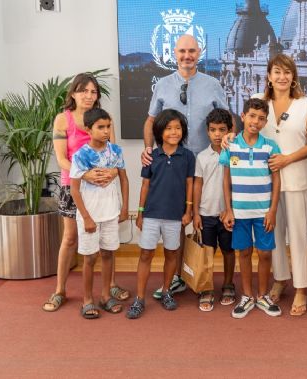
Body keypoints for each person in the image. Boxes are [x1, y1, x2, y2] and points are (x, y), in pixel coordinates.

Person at [141, 34, 230, 299]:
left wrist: (227, 145)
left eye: (192, 51)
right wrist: (148, 148)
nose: (187, 56)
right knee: (177, 222)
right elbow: (150, 121)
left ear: (199, 53)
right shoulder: (163, 85)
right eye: (182, 51)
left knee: (207, 220)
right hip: (174, 165)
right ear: (175, 54)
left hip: (207, 165)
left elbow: (227, 121)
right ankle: (177, 278)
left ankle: (205, 279)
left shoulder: (213, 84)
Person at [43, 73, 129, 312]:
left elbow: (112, 154)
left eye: (93, 92)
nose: (88, 96)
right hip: (74, 185)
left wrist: (112, 173)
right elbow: (61, 158)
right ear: (73, 93)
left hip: (103, 188)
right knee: (70, 238)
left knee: (107, 243)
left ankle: (109, 286)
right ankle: (60, 289)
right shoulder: (63, 119)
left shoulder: (104, 118)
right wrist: (85, 173)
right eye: (83, 91)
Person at [251, 54, 307, 316]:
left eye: (287, 72)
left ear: (294, 76)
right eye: (277, 72)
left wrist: (288, 158)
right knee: (273, 236)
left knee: (300, 237)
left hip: (298, 179)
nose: (282, 77)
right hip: (266, 182)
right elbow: (247, 131)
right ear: (269, 75)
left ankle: (302, 288)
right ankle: (280, 279)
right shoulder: (259, 101)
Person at [127, 109, 195, 319]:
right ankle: (139, 298)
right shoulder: (152, 156)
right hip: (151, 214)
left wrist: (188, 210)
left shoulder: (188, 156)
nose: (174, 132)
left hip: (175, 216)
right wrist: (140, 212)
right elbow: (145, 186)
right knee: (146, 254)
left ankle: (166, 291)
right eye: (168, 128)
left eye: (178, 128)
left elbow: (189, 184)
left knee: (171, 253)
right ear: (159, 132)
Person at [220, 98, 282, 319]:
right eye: (252, 116)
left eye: (261, 118)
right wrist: (228, 209)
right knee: (244, 252)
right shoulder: (231, 145)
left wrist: (272, 210)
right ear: (243, 116)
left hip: (263, 212)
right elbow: (225, 181)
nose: (256, 121)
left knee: (265, 253)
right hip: (239, 212)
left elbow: (277, 180)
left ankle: (263, 295)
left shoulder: (270, 146)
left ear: (265, 122)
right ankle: (247, 296)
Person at [69, 108, 129, 319]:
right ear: (88, 129)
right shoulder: (80, 155)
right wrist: (86, 217)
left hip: (111, 213)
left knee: (108, 254)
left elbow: (124, 179)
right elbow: (74, 189)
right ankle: (87, 299)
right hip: (90, 216)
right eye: (100, 127)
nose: (105, 131)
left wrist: (124, 208)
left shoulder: (116, 151)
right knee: (90, 257)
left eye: (108, 127)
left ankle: (105, 296)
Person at [193, 108, 237, 312]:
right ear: (207, 132)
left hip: (227, 214)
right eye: (213, 130)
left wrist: (231, 210)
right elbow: (197, 185)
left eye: (222, 129)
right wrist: (195, 213)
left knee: (229, 251)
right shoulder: (202, 157)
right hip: (206, 214)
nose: (218, 134)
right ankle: (207, 288)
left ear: (229, 130)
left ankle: (228, 284)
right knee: (207, 253)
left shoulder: (235, 153)